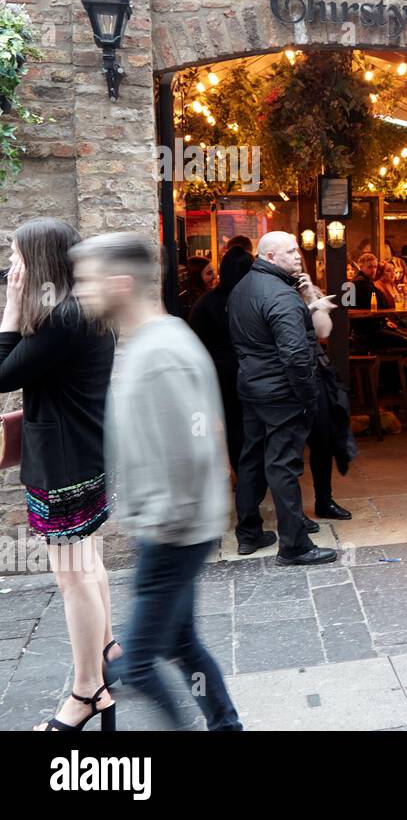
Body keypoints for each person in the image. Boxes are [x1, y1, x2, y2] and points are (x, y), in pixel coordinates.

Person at [70, 233, 242, 731]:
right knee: (181, 643)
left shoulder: (160, 352)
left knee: (136, 665)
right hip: (175, 529)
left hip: (172, 533)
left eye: (86, 281)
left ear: (120, 284)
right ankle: (227, 726)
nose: (79, 291)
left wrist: (157, 521)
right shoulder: (152, 342)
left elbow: (194, 447)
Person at [1, 219, 118, 732]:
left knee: (72, 578)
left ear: (42, 261)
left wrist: (9, 305)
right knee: (88, 563)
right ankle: (109, 652)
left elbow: (1, 373)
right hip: (85, 457)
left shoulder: (63, 320)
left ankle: (87, 690)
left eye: (19, 257)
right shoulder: (84, 311)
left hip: (65, 467)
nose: (13, 267)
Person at [227, 231, 337, 566]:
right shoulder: (281, 296)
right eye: (290, 252)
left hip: (252, 387)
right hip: (280, 393)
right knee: (282, 465)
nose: (298, 256)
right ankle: (294, 545)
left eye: (296, 251)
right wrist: (307, 397)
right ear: (270, 257)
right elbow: (295, 356)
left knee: (252, 457)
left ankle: (249, 533)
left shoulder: (243, 287)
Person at [189, 246, 254, 471]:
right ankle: (256, 475)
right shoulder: (255, 301)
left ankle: (243, 473)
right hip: (254, 370)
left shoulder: (206, 303)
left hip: (221, 373)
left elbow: (195, 341)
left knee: (233, 425)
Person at [297, 268, 352, 522]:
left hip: (316, 371)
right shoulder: (272, 293)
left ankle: (324, 500)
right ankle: (294, 511)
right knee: (292, 446)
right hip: (288, 376)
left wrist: (310, 296)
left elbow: (324, 332)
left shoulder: (311, 293)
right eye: (291, 255)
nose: (296, 260)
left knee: (322, 439)